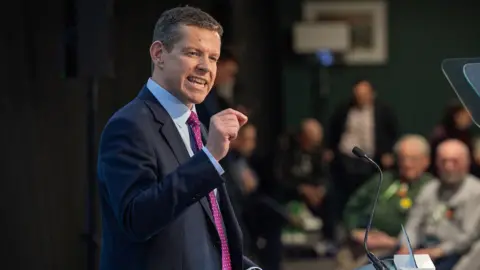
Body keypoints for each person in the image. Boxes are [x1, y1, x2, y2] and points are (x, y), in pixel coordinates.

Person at [96, 6, 260, 270]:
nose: (206, 67)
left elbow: (208, 229)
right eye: (193, 53)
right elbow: (136, 220)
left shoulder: (199, 128)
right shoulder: (129, 125)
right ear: (159, 54)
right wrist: (209, 159)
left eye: (214, 57)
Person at [399, 139, 480, 270]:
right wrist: (405, 246)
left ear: (466, 162)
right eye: (444, 161)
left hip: (453, 255)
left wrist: (437, 251)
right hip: (421, 250)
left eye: (455, 161)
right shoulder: (429, 188)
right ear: (436, 162)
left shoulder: (476, 192)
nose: (448, 167)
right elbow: (413, 223)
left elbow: (467, 237)